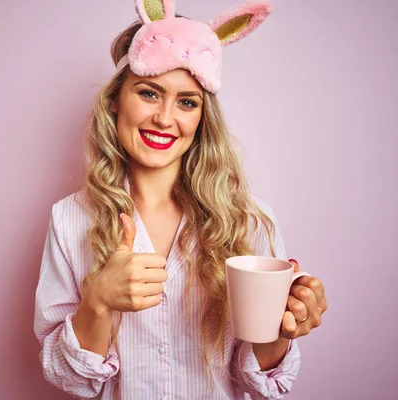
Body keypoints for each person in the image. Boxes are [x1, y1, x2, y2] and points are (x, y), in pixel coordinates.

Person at [34, 1, 328, 399]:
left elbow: (263, 386)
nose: (165, 118)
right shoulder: (70, 219)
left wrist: (282, 328)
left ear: (202, 119)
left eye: (187, 102)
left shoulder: (251, 220)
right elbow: (70, 379)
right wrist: (98, 302)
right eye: (150, 93)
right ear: (116, 99)